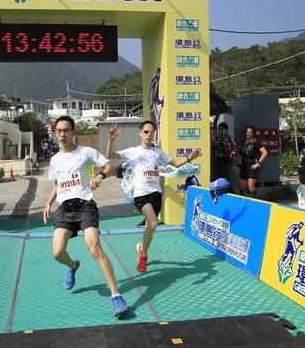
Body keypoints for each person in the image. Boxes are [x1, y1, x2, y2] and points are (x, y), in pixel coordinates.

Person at [43, 115, 128, 318]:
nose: (62, 134)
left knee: (95, 249)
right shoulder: (55, 159)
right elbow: (57, 183)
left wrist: (99, 176)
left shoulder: (86, 152)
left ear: (73, 132)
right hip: (64, 209)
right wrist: (48, 203)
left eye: (66, 130)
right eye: (58, 131)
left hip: (85, 206)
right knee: (57, 253)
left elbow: (109, 166)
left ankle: (116, 296)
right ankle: (73, 266)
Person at [107, 121, 200, 273]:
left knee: (150, 227)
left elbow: (175, 163)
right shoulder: (133, 152)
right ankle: (144, 257)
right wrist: (111, 140)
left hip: (156, 193)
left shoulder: (157, 152)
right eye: (146, 132)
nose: (149, 135)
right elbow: (110, 155)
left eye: (152, 132)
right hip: (140, 194)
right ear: (140, 133)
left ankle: (142, 249)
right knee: (153, 222)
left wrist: (189, 158)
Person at [238, 125, 269, 198]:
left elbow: (265, 152)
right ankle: (242, 201)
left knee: (251, 186)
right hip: (244, 165)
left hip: (252, 165)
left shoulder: (256, 142)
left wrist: (258, 163)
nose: (248, 134)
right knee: (242, 186)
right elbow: (241, 155)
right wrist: (239, 165)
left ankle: (253, 200)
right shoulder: (244, 143)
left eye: (250, 132)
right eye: (247, 132)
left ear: (253, 133)